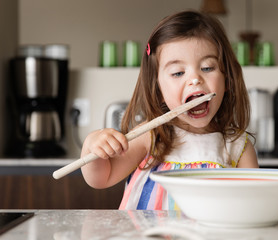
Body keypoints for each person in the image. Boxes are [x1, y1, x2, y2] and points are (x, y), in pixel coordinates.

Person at [81, 10, 258, 210]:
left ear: (227, 79)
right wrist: (91, 146)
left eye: (207, 68)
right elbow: (101, 178)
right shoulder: (151, 136)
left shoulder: (237, 145)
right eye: (178, 72)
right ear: (158, 87)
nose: (195, 79)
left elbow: (252, 205)